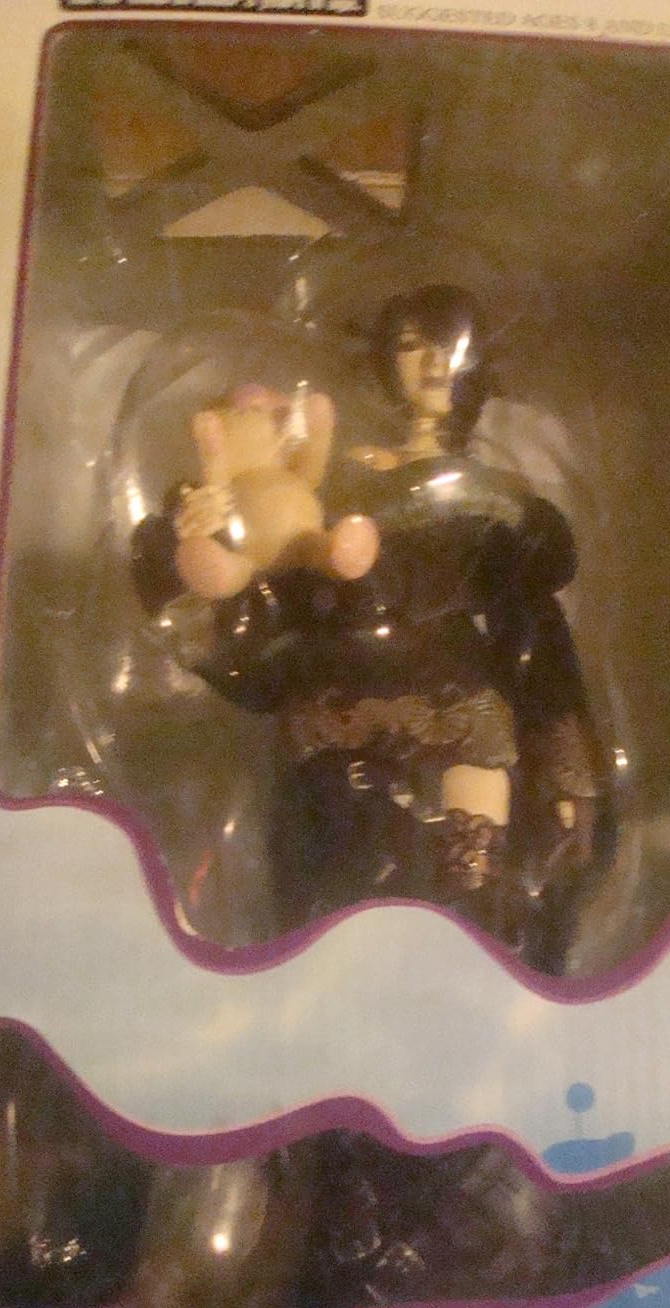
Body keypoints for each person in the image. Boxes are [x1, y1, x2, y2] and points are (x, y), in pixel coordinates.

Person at [138, 286, 611, 974]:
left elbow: (531, 627)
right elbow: (281, 576)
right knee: (337, 889)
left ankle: (477, 973)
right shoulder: (340, 477)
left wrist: (567, 766)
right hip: (340, 701)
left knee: (474, 894)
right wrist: (209, 536)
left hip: (458, 703)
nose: (432, 364)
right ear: (386, 361)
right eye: (412, 346)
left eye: (446, 346)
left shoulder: (499, 494)